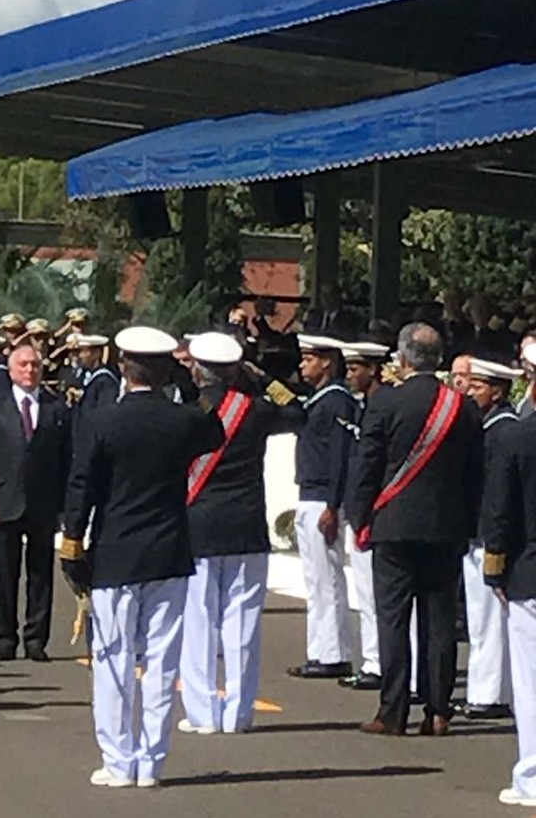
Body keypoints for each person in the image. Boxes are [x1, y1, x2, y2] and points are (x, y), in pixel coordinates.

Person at [61, 326, 223, 788]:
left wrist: (72, 544)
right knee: (161, 660)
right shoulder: (181, 421)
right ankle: (152, 762)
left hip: (116, 553)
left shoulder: (100, 420)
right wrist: (193, 383)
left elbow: (81, 487)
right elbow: (214, 431)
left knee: (113, 658)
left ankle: (118, 761)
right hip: (169, 551)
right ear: (165, 368)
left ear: (121, 366)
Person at [352, 323, 483, 737]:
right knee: (439, 620)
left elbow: (368, 466)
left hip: (393, 523)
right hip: (446, 526)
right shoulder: (461, 406)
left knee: (393, 620)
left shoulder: (387, 402)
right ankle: (439, 709)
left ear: (404, 358)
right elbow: (474, 474)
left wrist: (360, 518)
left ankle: (392, 712)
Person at [179, 332, 304, 735]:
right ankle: (239, 712)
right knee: (243, 622)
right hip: (247, 524)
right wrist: (264, 378)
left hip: (199, 523)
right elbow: (299, 411)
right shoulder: (257, 411)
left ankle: (202, 714)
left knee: (199, 621)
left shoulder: (188, 411)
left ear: (198, 369)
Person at [0, 342, 70, 662]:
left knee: (41, 574)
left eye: (34, 365)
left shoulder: (56, 408)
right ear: (11, 369)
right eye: (23, 365)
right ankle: (4, 639)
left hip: (43, 503)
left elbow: (64, 460)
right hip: (6, 499)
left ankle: (35, 640)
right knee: (6, 574)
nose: (30, 370)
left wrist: (63, 505)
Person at [288, 335, 357, 679]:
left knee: (327, 578)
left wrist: (333, 503)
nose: (303, 365)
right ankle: (320, 649)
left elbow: (339, 456)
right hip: (310, 494)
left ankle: (333, 653)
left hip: (322, 498)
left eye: (309, 359)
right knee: (314, 579)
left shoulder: (337, 401)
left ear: (327, 361)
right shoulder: (320, 400)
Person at [483, 397, 536, 807]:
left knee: (530, 683)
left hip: (530, 570)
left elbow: (500, 513)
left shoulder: (517, 437)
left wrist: (495, 566)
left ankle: (532, 776)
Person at [460, 357, 518, 719]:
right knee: (480, 618)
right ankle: (487, 689)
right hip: (478, 531)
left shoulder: (501, 431)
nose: (470, 392)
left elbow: (497, 493)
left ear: (497, 391)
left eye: (478, 387)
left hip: (488, 533)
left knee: (488, 620)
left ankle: (489, 694)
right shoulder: (488, 427)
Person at [339, 341, 391, 692]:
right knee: (367, 593)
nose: (350, 375)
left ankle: (376, 662)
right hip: (363, 509)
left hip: (374, 511)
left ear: (373, 369)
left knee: (373, 595)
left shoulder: (381, 406)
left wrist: (359, 514)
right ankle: (374, 659)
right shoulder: (365, 405)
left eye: (355, 368)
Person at [68, 335, 118, 453]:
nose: (80, 356)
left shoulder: (105, 382)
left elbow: (104, 415)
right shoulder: (83, 377)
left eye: (85, 352)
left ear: (96, 353)